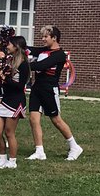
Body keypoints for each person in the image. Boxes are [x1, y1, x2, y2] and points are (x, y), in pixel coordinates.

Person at [26, 25, 83, 161]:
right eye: (43, 36)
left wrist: (22, 64)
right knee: (33, 119)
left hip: (49, 90)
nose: (43, 39)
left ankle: (74, 147)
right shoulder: (42, 50)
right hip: (37, 88)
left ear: (54, 38)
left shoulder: (59, 55)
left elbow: (41, 66)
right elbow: (28, 49)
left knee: (56, 120)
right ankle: (39, 151)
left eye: (46, 36)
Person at [0, 40, 29, 169]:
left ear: (16, 46)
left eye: (9, 44)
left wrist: (5, 79)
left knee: (9, 132)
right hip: (6, 99)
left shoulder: (24, 65)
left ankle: (12, 161)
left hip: (16, 101)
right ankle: (2, 158)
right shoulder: (9, 62)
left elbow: (20, 86)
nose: (7, 46)